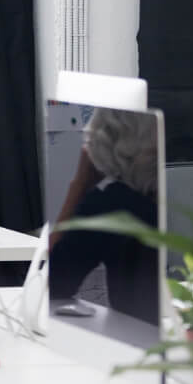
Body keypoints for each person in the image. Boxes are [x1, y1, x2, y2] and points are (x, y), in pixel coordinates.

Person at [49, 107, 161, 324]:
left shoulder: (111, 205)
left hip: (137, 340)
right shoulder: (180, 190)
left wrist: (79, 185)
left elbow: (51, 283)